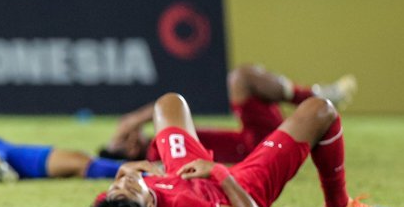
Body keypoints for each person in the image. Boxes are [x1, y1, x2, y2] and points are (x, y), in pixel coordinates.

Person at [88, 92, 393, 207]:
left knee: (170, 102)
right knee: (321, 111)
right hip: (240, 187)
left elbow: (117, 198)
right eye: (129, 188)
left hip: (185, 171)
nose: (122, 183)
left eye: (116, 187)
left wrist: (127, 170)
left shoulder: (116, 206)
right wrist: (218, 171)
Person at [99, 64, 357, 164]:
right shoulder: (161, 153)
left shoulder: (165, 145)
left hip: (252, 140)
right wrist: (132, 122)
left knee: (244, 78)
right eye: (127, 141)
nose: (132, 135)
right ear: (131, 150)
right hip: (257, 147)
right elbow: (147, 115)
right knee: (241, 78)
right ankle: (314, 95)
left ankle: (314, 96)